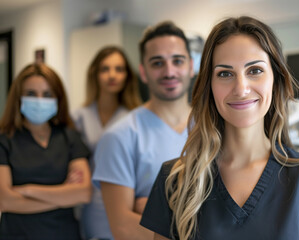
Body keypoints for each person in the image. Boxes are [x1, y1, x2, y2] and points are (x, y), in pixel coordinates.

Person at [140, 16, 299, 240]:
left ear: (275, 79)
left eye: (255, 71)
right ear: (209, 87)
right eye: (225, 73)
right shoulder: (176, 180)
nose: (241, 89)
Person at [92, 21, 194, 239]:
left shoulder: (214, 128)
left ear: (191, 66)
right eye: (157, 63)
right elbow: (122, 226)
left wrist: (153, 211)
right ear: (143, 72)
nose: (169, 72)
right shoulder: (119, 136)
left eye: (178, 61)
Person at [0, 63, 91, 239]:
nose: (40, 100)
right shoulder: (5, 140)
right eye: (31, 94)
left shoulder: (70, 137)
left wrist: (28, 190)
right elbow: (5, 200)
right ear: (18, 98)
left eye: (47, 94)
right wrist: (64, 194)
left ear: (58, 98)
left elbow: (84, 193)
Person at [72, 46, 142, 239]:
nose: (112, 75)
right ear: (94, 73)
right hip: (88, 202)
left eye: (119, 69)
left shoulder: (134, 118)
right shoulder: (78, 117)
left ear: (128, 75)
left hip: (126, 200)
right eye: (105, 69)